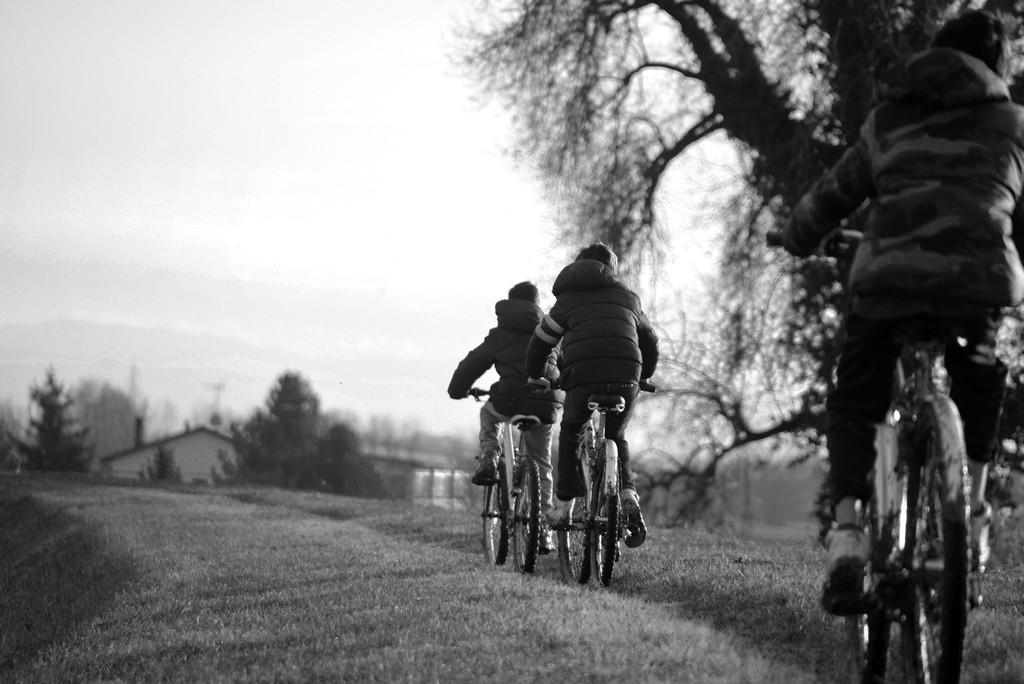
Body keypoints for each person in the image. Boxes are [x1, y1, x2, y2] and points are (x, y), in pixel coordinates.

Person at [780, 9, 1024, 615]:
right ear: (998, 66)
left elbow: (834, 195)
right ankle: (971, 509)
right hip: (979, 282)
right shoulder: (1013, 125)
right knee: (981, 375)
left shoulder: (887, 120)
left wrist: (798, 236)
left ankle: (847, 537)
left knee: (858, 398)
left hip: (888, 280)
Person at [525, 242, 659, 547]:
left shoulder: (569, 299)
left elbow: (542, 341)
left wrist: (535, 373)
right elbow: (650, 341)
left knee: (572, 429)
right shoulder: (630, 299)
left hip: (583, 378)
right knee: (617, 435)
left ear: (578, 266)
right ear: (611, 270)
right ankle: (627, 494)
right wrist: (645, 374)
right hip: (628, 375)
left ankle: (564, 508)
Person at [447, 281, 563, 551]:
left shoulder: (500, 332)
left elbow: (472, 363)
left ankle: (490, 455)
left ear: (510, 303)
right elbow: (564, 366)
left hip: (508, 400)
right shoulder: (551, 331)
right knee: (542, 465)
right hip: (545, 404)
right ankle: (543, 527)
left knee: (488, 413)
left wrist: (458, 391)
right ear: (536, 306)